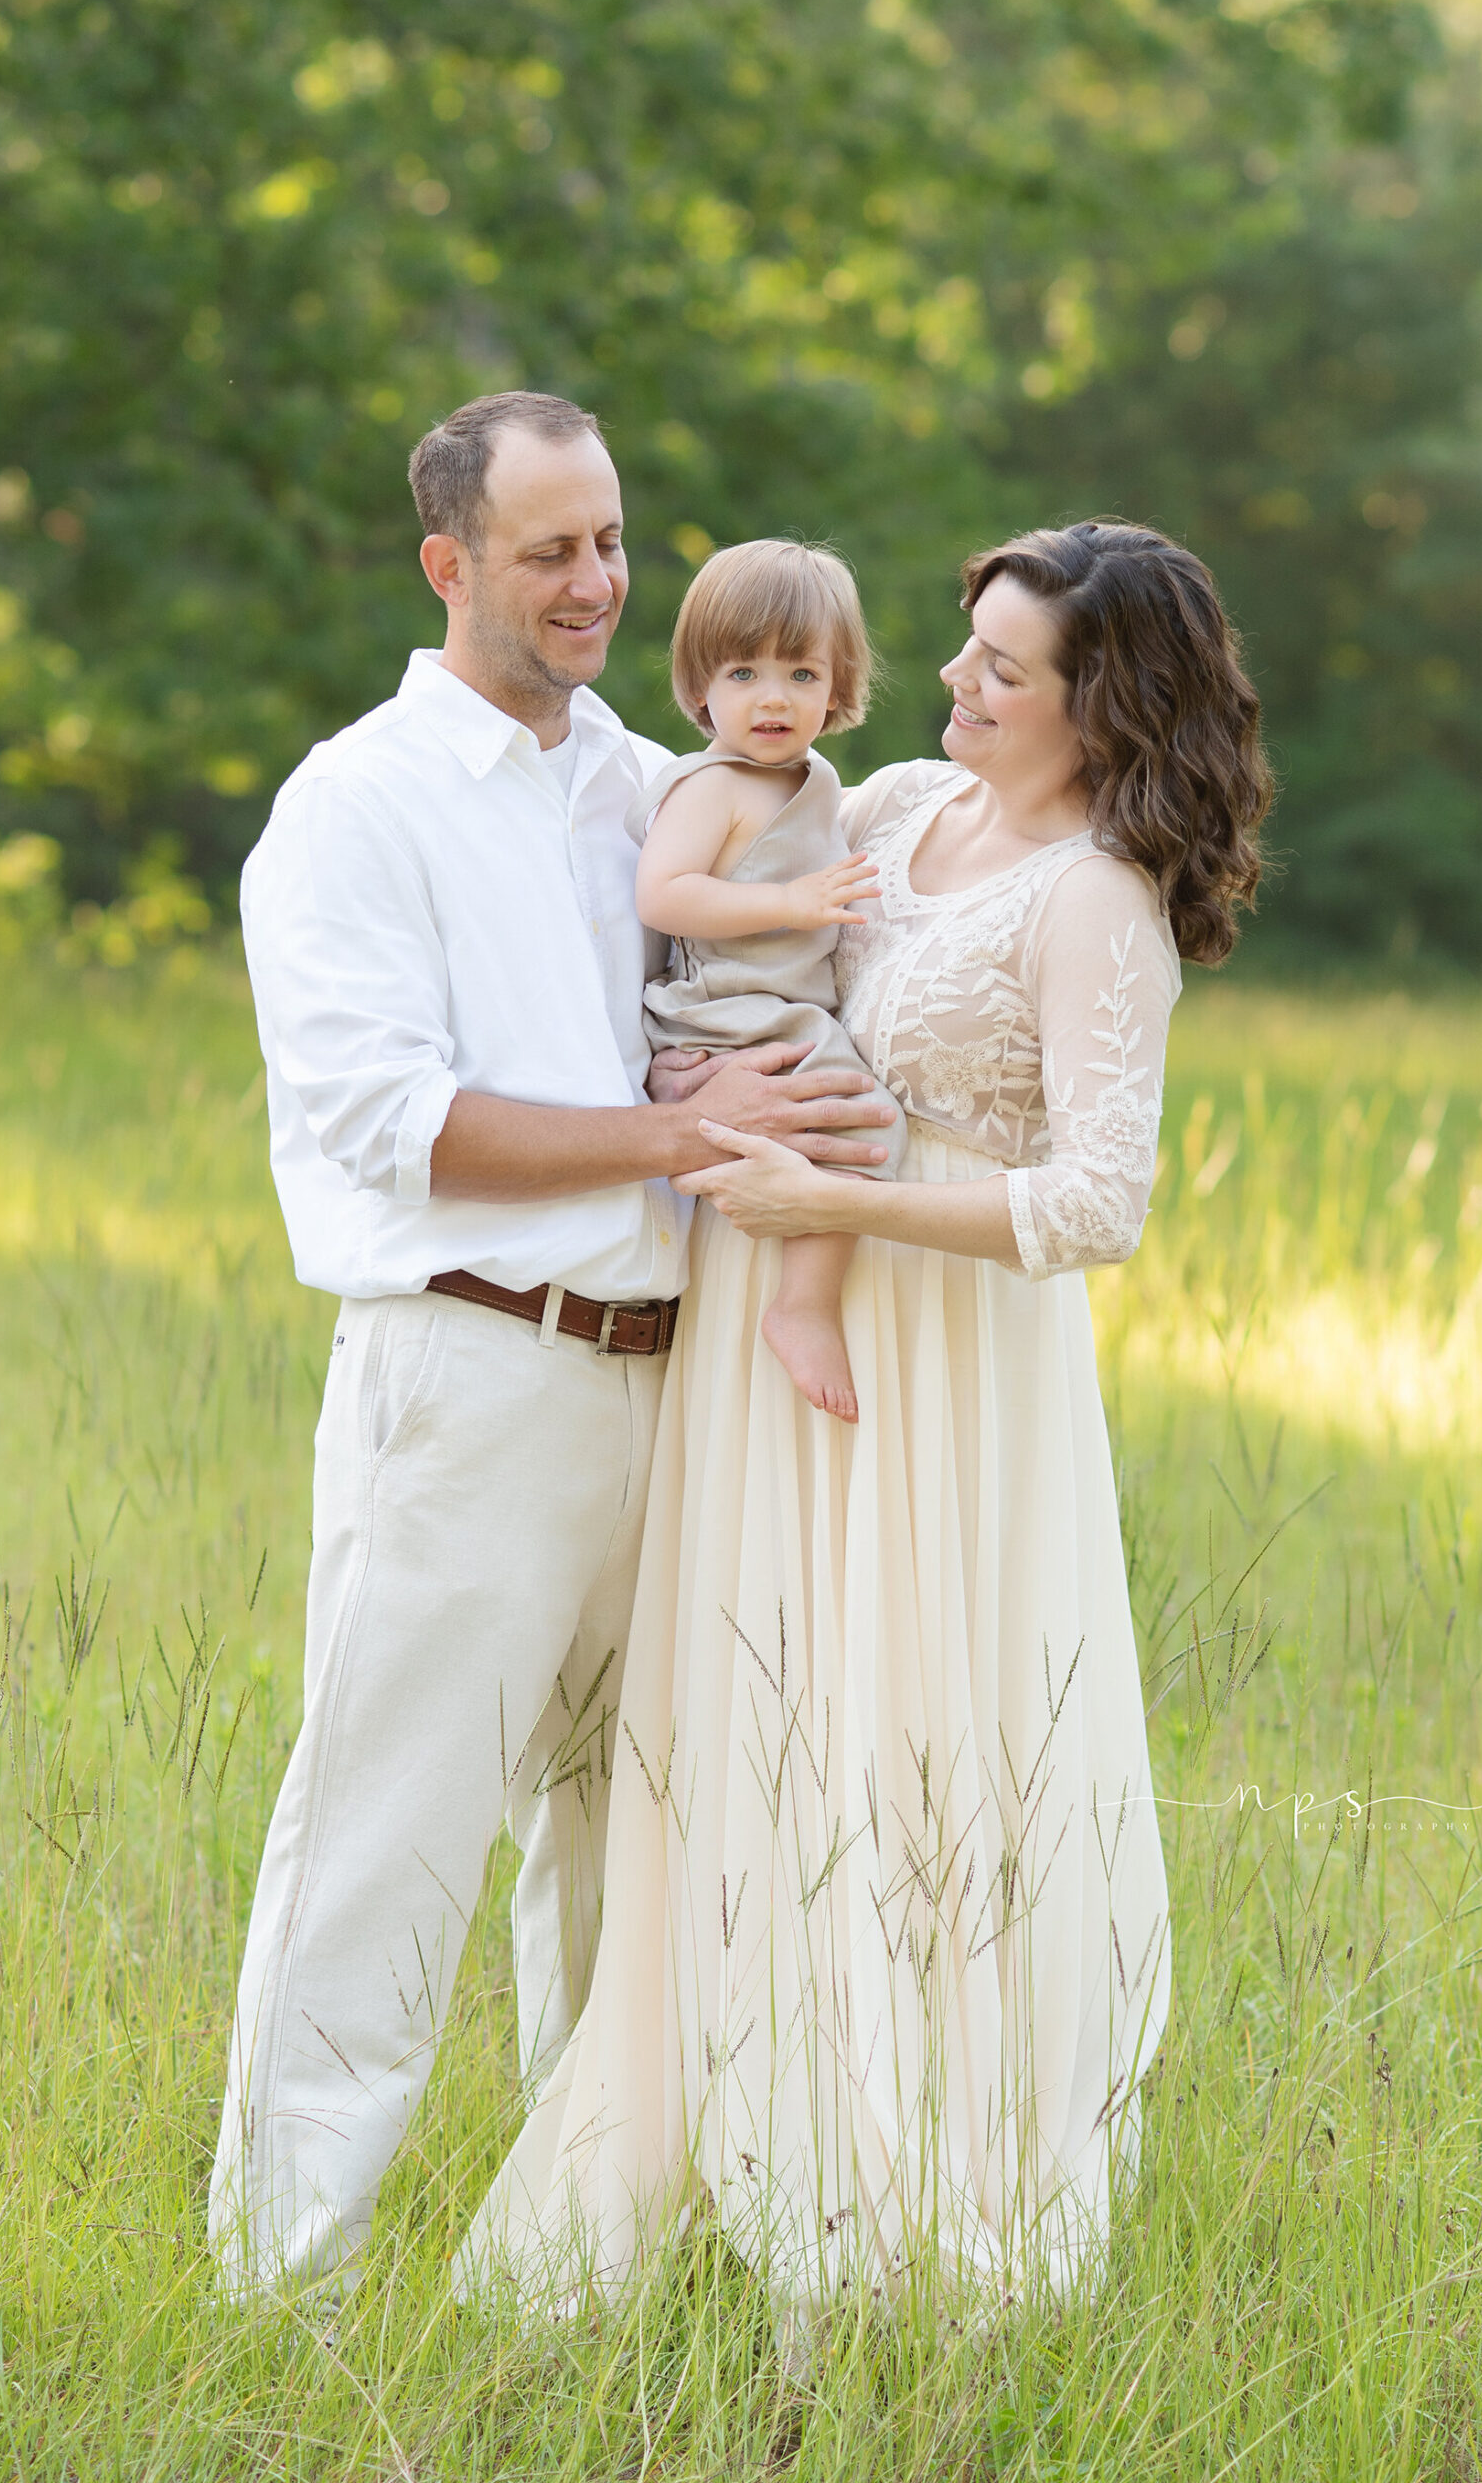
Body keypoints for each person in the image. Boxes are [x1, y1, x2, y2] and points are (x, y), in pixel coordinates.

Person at [461, 521, 1273, 2349]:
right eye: (961, 651)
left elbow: (1093, 1207)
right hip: (768, 1304)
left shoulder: (1095, 900)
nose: (951, 688)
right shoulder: (895, 802)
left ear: (1104, 708)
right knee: (744, 1712)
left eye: (1002, 672)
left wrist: (846, 1209)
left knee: (903, 1730)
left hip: (935, 1356)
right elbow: (724, 939)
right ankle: (702, 2117)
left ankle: (900, 2169)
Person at [209, 390, 897, 2301]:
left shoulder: (646, 781)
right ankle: (287, 2283)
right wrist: (694, 1131)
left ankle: (578, 2262)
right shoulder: (355, 804)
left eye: (609, 541)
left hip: (676, 1376)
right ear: (449, 566)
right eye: (549, 552)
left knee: (627, 1839)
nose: (597, 581)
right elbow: (391, 1122)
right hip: (473, 1373)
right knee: (389, 1835)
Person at [630, 538, 906, 1424]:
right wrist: (788, 899)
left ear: (839, 687)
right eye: (742, 672)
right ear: (699, 687)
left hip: (776, 1007)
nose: (773, 697)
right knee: (863, 1119)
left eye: (800, 672)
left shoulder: (813, 778)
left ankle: (801, 1281)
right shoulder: (714, 786)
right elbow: (665, 895)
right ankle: (803, 1304)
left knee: (842, 1114)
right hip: (728, 1010)